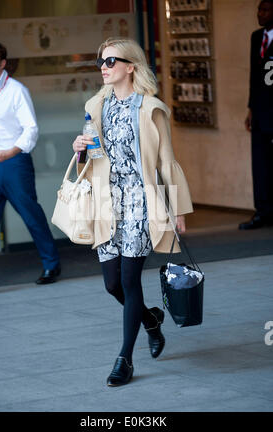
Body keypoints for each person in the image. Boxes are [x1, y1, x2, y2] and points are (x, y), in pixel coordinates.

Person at [72, 37, 193, 386]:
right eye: (101, 62)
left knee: (128, 279)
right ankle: (151, 320)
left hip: (140, 201)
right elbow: (91, 155)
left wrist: (177, 208)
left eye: (111, 61)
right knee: (112, 285)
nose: (104, 68)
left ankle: (124, 359)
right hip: (106, 202)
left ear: (131, 67)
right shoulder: (95, 105)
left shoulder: (150, 108)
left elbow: (167, 161)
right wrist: (79, 147)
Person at [0, 41, 61, 296]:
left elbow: (30, 128)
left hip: (13, 161)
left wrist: (10, 152)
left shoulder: (16, 90)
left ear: (2, 63)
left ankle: (51, 265)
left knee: (30, 214)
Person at [239, 0, 273, 230]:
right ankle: (263, 211)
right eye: (259, 9)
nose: (259, 13)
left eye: (265, 9)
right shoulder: (256, 37)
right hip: (261, 110)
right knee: (260, 164)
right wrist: (251, 107)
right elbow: (254, 75)